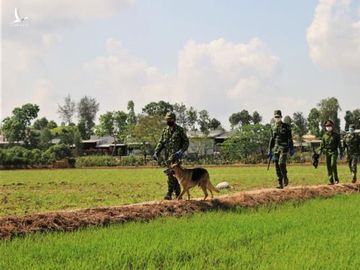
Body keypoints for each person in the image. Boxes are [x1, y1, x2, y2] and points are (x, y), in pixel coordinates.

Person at [153, 112, 189, 200]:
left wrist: (181, 151)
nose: (168, 121)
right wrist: (156, 152)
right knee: (172, 175)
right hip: (167, 158)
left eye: (170, 119)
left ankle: (171, 193)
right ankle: (175, 193)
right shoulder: (165, 131)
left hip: (176, 158)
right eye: (167, 120)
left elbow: (186, 142)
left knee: (174, 175)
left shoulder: (179, 130)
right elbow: (161, 142)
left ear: (174, 120)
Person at [268, 110, 295, 189]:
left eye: (278, 117)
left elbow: (290, 138)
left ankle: (285, 177)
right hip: (276, 148)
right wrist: (269, 150)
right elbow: (272, 139)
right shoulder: (273, 127)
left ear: (281, 117)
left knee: (281, 163)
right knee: (276, 165)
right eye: (276, 117)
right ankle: (280, 183)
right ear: (274, 117)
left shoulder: (286, 126)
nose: (277, 118)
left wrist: (291, 148)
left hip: (284, 147)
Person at [318, 120, 343, 185]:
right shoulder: (324, 136)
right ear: (325, 127)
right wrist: (318, 152)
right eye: (327, 126)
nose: (328, 127)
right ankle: (331, 181)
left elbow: (339, 145)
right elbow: (321, 146)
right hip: (327, 152)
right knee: (328, 166)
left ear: (332, 126)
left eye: (329, 126)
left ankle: (336, 179)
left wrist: (341, 152)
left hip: (334, 152)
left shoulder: (336, 135)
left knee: (333, 164)